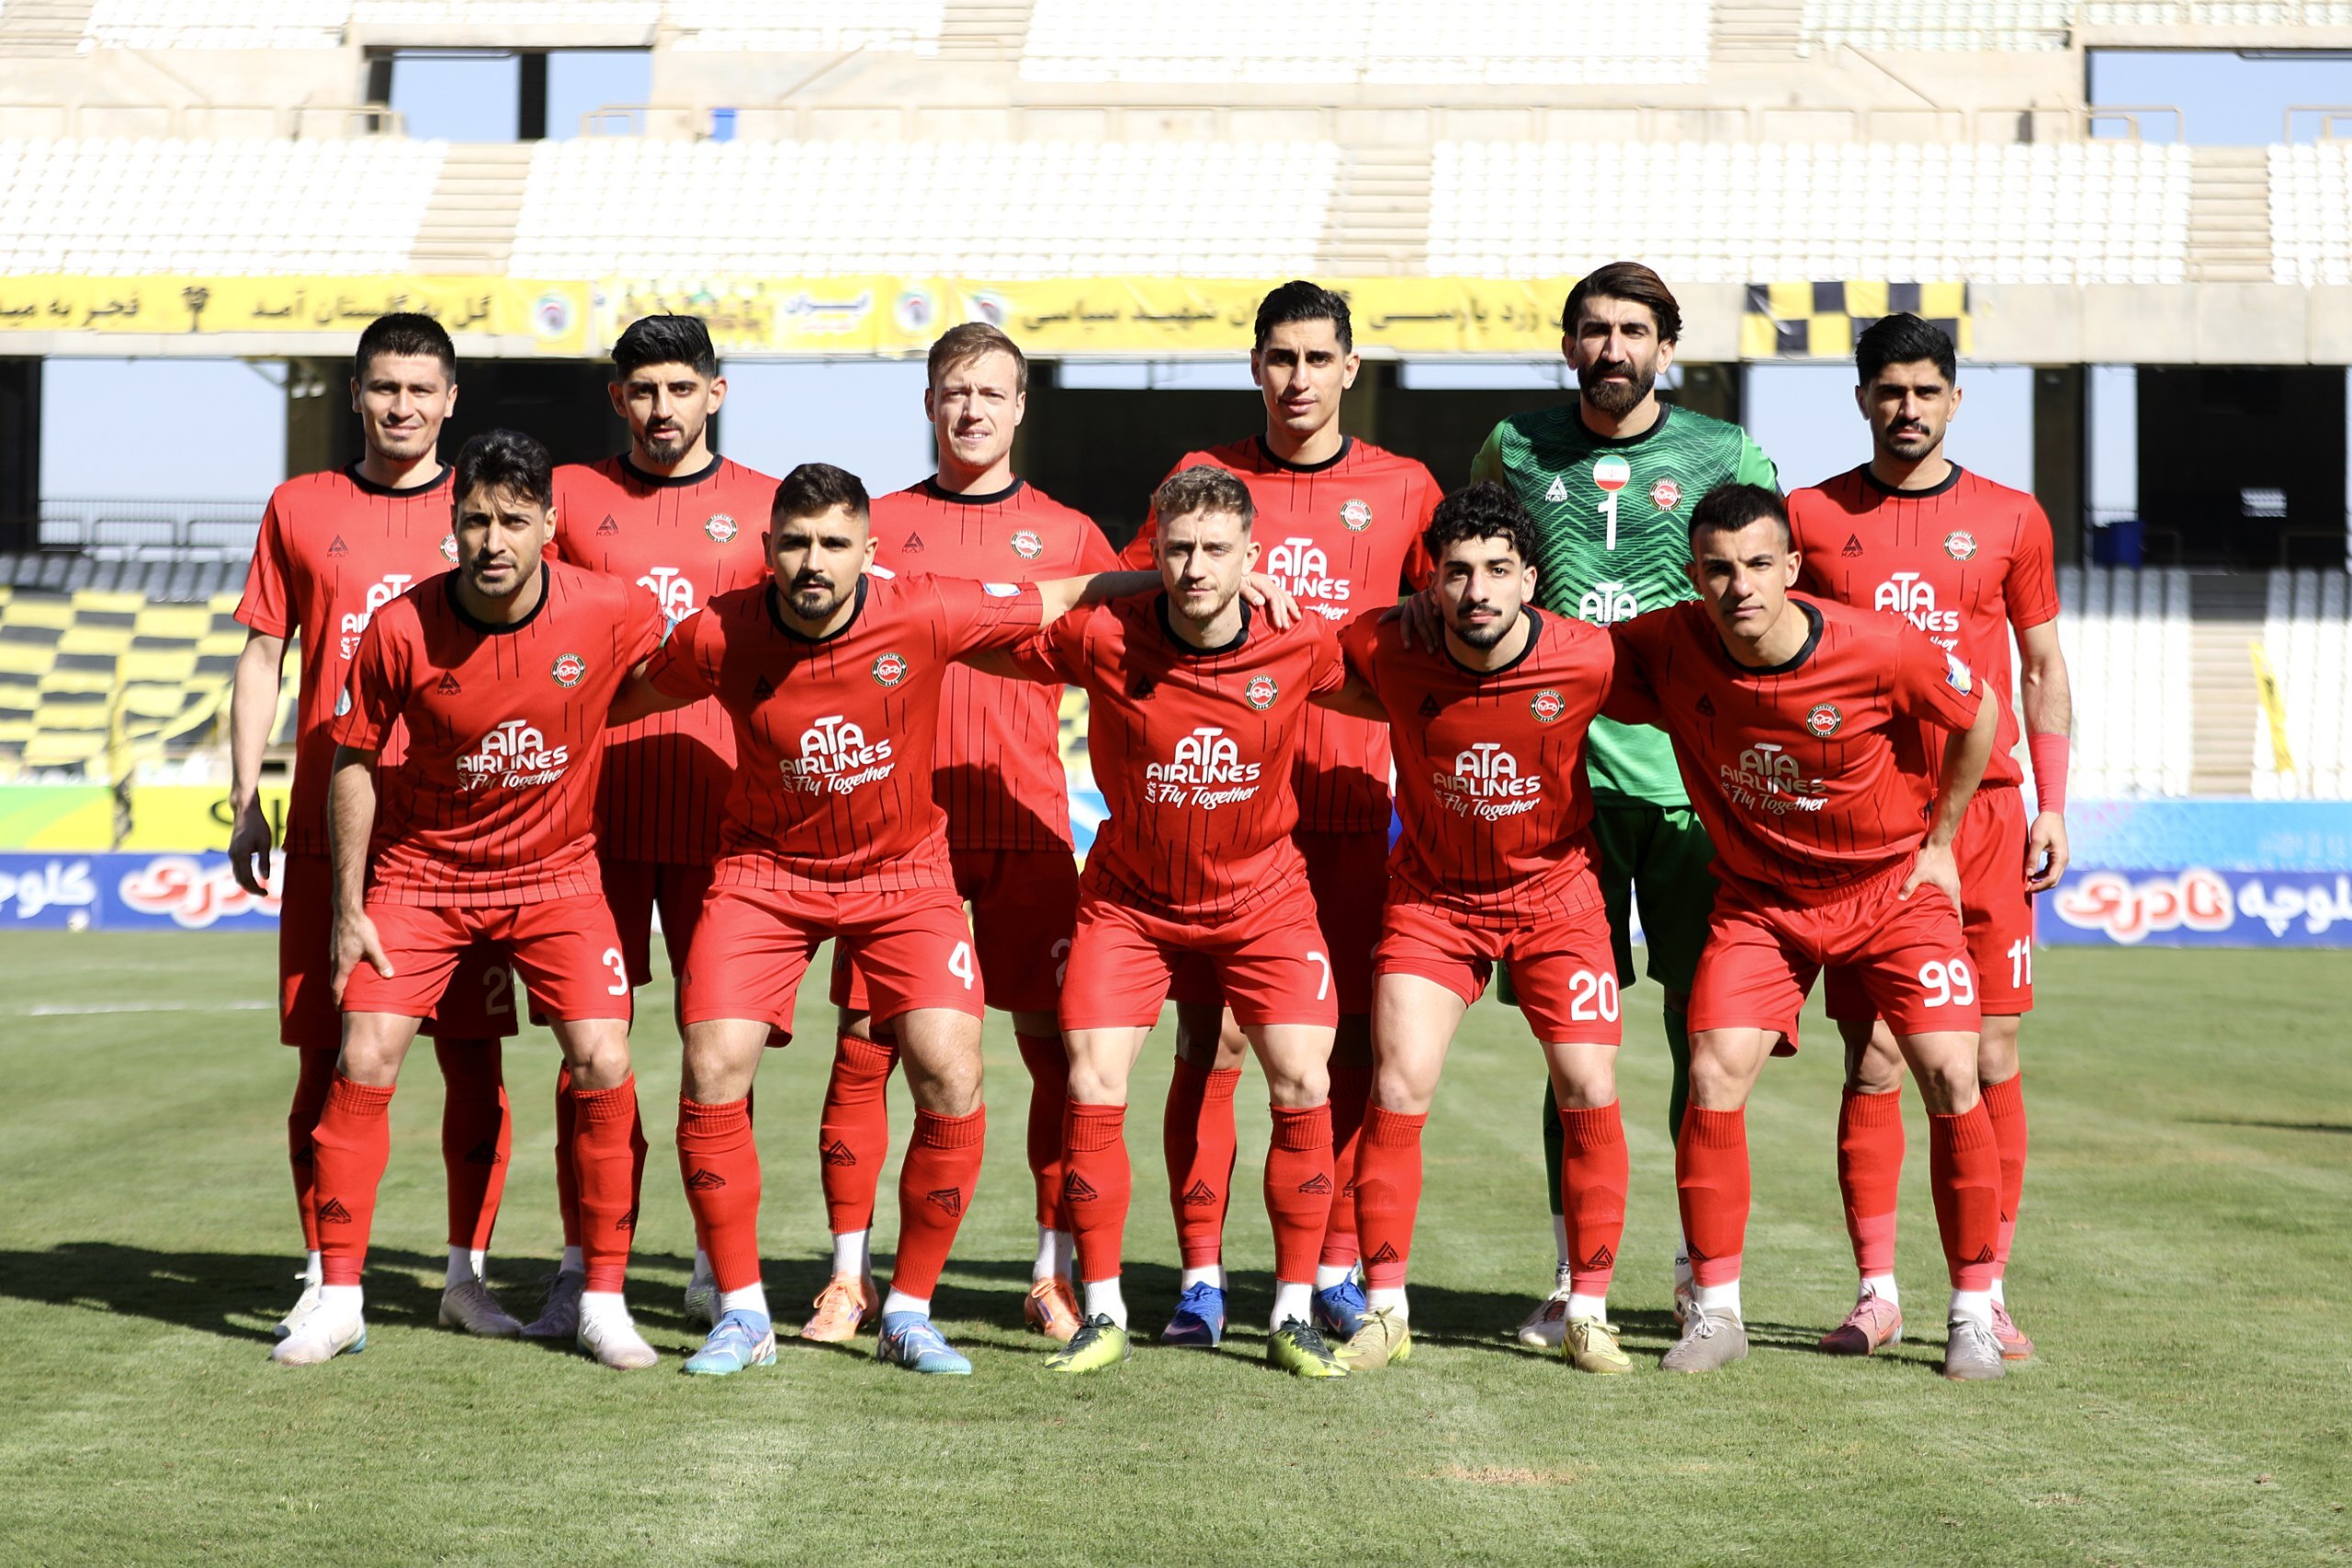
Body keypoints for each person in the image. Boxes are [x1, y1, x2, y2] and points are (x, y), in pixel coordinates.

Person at [610, 463, 1166, 1379]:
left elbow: (1063, 593)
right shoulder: (719, 632)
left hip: (901, 875)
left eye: (834, 543)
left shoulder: (925, 608)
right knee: (712, 1064)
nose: (813, 561)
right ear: (767, 549)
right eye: (795, 542)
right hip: (764, 876)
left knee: (951, 1070)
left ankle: (908, 1308)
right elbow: (621, 696)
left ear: (869, 552)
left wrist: (1181, 576)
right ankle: (742, 1312)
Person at [275, 429, 665, 1371]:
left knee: (604, 1057)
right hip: (424, 876)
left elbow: (671, 673)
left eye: (514, 521)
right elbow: (353, 760)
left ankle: (602, 1299)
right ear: (452, 525)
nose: (493, 541)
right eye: (477, 521)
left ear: (549, 525)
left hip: (557, 875)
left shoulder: (611, 606)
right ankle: (339, 1297)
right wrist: (350, 907)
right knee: (363, 1054)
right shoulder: (401, 627)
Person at [1602, 482, 2010, 1381]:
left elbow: (1978, 709)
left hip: (1891, 891)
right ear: (1694, 575)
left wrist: (1941, 841)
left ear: (1792, 566)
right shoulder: (1667, 644)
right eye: (1717, 569)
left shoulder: (1880, 647)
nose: (1738, 585)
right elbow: (1553, 656)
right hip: (1763, 903)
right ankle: (1716, 1312)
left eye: (1757, 564)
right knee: (1712, 1070)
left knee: (1953, 1071)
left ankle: (1973, 1313)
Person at [1120, 281, 1438, 1347]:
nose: (1297, 379)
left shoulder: (1404, 489)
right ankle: (1200, 1278)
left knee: (1340, 1049)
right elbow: (1135, 601)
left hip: (1347, 808)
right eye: (1279, 358)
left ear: (1350, 368)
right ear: (1255, 366)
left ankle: (1332, 1266)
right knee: (1210, 1045)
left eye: (1315, 358)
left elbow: (1444, 622)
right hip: (1219, 815)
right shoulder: (1200, 483)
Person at [1468, 262, 1781, 1346]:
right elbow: (1468, 571)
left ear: (1666, 347)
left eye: (1633, 331)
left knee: (1705, 1040)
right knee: (1573, 1050)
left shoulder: (1724, 454)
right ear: (1568, 345)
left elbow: (1767, 591)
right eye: (1594, 330)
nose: (1612, 348)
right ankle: (1573, 1277)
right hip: (1559, 794)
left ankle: (1702, 1276)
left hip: (1697, 792)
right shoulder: (1514, 448)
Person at [1009, 465, 1354, 1380]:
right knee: (1092, 1081)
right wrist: (1123, 580)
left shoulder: (1300, 639)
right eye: (1177, 549)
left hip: (1264, 901)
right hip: (1132, 903)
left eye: (1215, 550)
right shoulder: (1103, 636)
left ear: (1252, 556)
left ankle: (1291, 1313)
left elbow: (1396, 668)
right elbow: (990, 620)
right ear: (1153, 552)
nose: (1195, 567)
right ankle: (1105, 1310)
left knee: (1303, 1080)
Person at [814, 323, 1118, 1348]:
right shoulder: (877, 526)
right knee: (865, 1050)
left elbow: (1138, 652)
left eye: (992, 392)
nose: (972, 408)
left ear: (1021, 406)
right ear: (929, 403)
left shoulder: (1071, 535)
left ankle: (1048, 1271)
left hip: (1028, 828)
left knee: (1056, 1057)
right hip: (900, 841)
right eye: (955, 390)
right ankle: (848, 1277)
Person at [228, 313, 521, 1346]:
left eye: (420, 388)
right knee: (326, 1063)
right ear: (355, 394)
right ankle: (325, 1276)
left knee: (473, 1063)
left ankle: (465, 1276)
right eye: (384, 386)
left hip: (464, 834)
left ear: (452, 400)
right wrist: (247, 794)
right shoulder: (300, 506)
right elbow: (262, 655)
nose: (402, 405)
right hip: (329, 829)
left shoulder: (486, 509)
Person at [1787, 313, 2071, 1361]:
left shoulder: (2011, 517)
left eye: (1924, 390)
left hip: (1986, 812)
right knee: (1872, 1057)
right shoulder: (1810, 517)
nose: (1906, 408)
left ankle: (1987, 1291)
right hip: (1871, 823)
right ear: (1861, 398)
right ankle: (1876, 1292)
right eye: (1888, 390)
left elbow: (2040, 666)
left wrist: (2052, 802)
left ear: (1955, 398)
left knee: (1990, 1052)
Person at [1331, 482, 1629, 1374]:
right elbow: (1286, 650)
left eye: (1498, 569)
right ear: (1431, 582)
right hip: (1434, 903)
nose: (1477, 590)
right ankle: (1385, 1310)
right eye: (1457, 572)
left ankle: (1588, 1311)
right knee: (1398, 1082)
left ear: (1530, 580)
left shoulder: (1588, 657)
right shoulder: (1385, 643)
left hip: (1558, 901)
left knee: (1587, 1084)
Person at [526, 313, 775, 1341]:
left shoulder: (768, 507)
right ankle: (585, 1266)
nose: (662, 408)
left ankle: (720, 1273)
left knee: (725, 1056)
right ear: (617, 400)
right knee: (591, 1054)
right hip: (590, 821)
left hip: (729, 822)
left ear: (716, 391)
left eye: (680, 388)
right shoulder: (570, 497)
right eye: (643, 390)